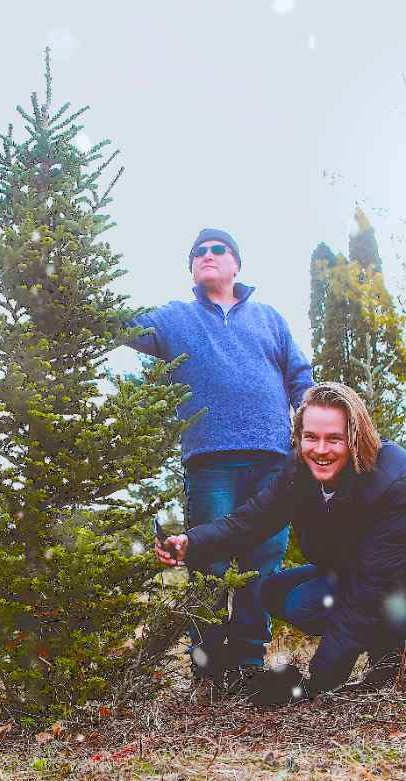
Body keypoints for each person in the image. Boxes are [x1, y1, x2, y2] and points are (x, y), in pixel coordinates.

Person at [155, 383, 406, 706]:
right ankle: (392, 652)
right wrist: (189, 544)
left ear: (354, 437)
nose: (320, 450)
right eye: (311, 437)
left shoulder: (391, 481)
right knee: (276, 592)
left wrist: (319, 683)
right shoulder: (299, 473)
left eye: (334, 438)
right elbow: (249, 522)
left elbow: (368, 591)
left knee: (353, 604)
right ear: (299, 436)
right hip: (366, 573)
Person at [129, 228, 314, 691]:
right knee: (206, 558)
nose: (208, 256)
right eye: (198, 253)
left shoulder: (269, 319)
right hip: (209, 462)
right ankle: (210, 668)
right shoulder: (176, 319)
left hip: (274, 461)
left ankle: (250, 662)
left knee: (262, 564)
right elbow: (124, 327)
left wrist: (310, 426)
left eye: (218, 250)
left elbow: (299, 376)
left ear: (236, 265)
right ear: (192, 269)